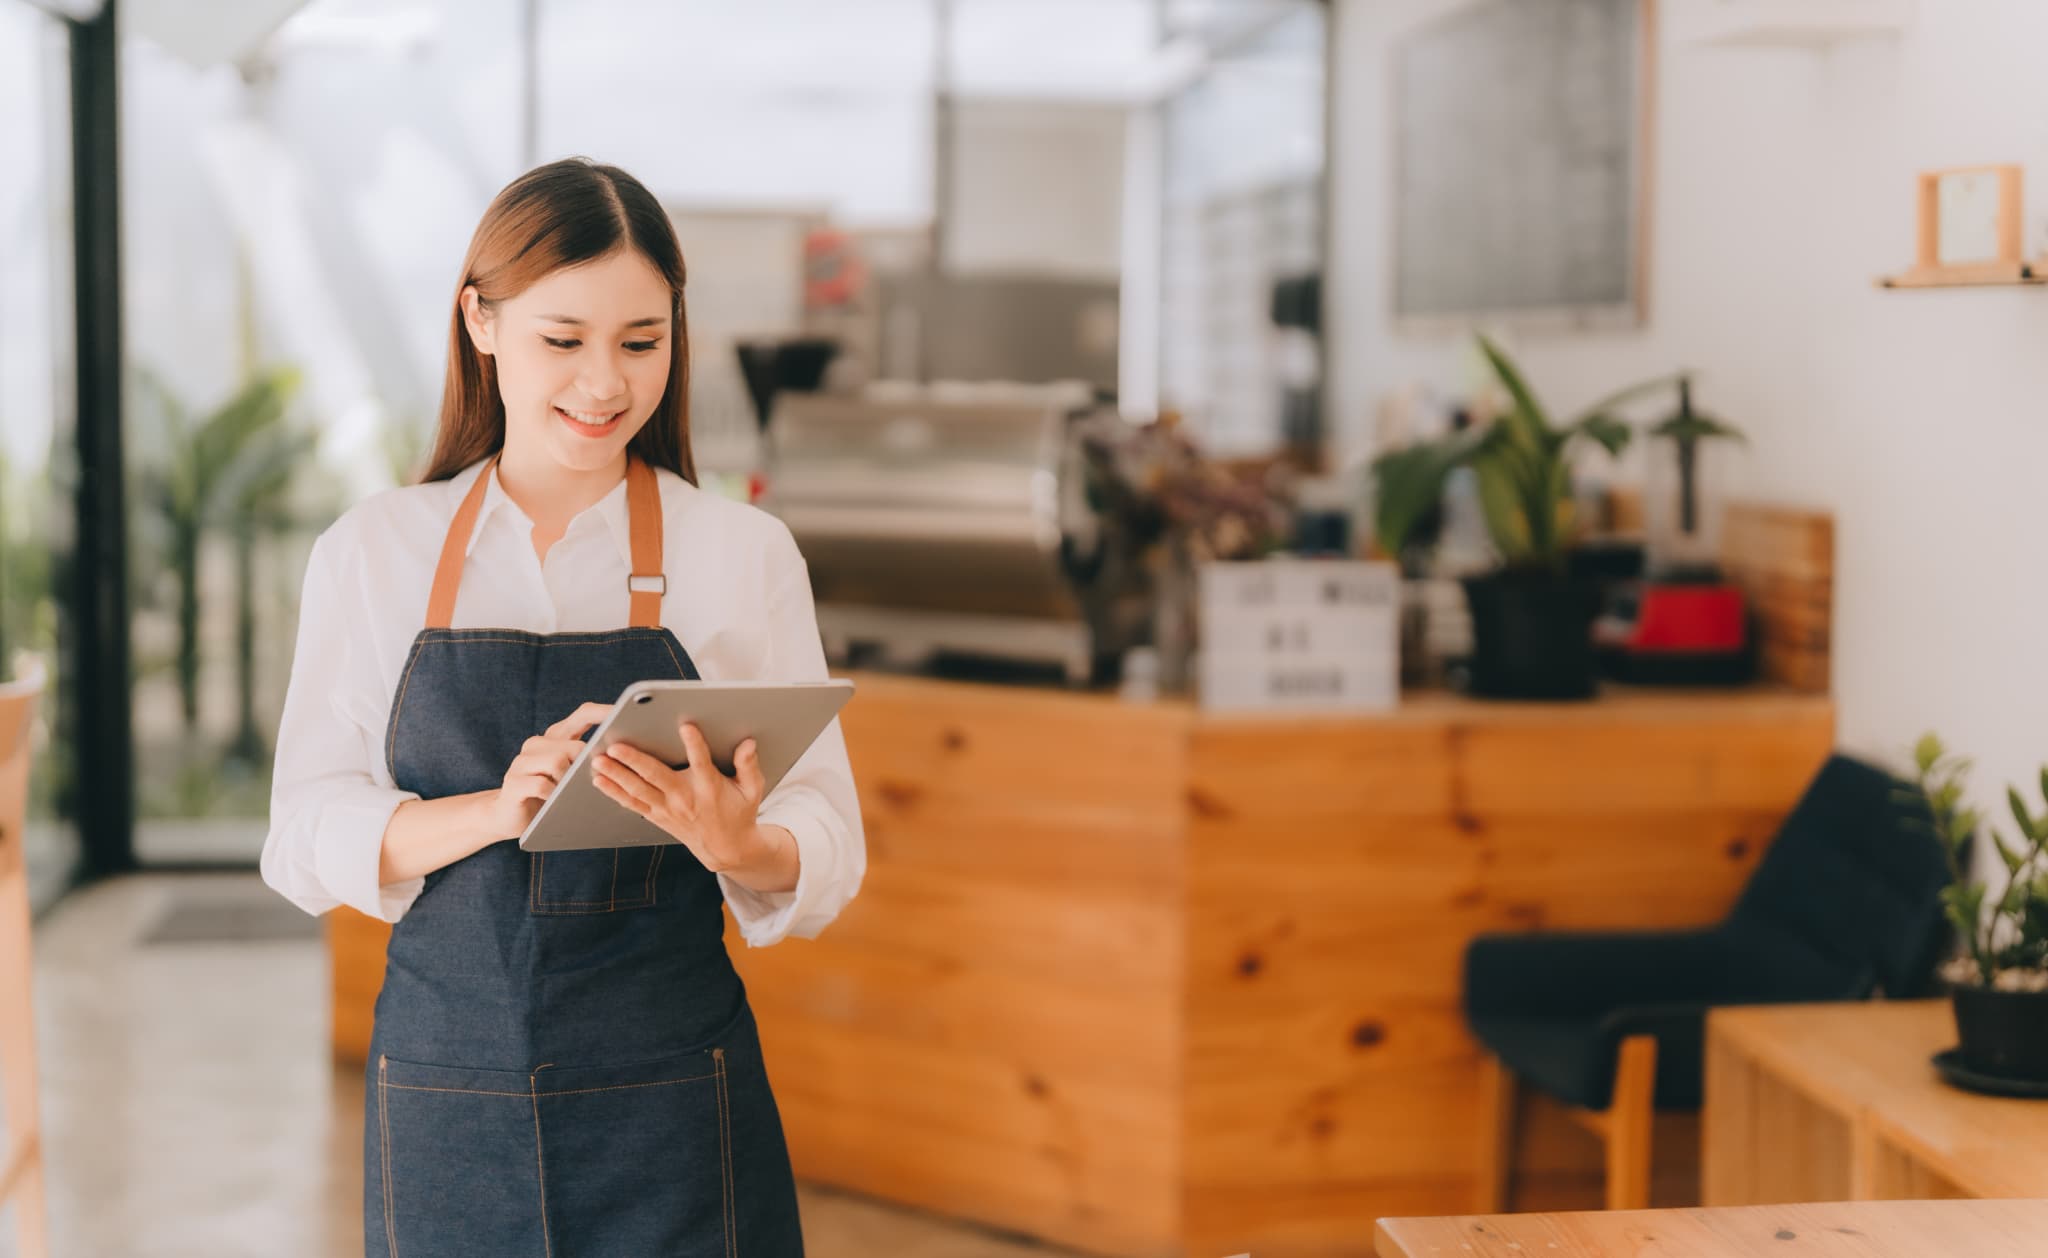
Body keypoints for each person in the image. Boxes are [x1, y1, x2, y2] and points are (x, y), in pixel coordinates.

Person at [259, 157, 863, 1257]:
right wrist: (498, 808)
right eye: (562, 340)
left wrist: (746, 842)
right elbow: (300, 838)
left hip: (677, 1097)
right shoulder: (373, 553)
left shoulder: (740, 553)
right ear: (480, 323)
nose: (604, 384)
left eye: (641, 341)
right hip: (448, 1092)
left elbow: (828, 837)